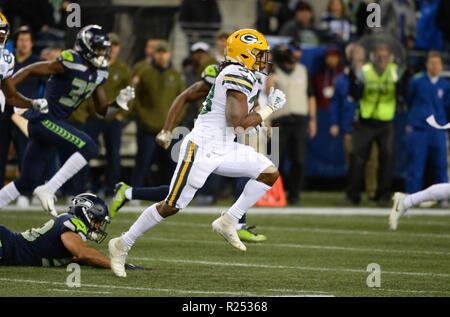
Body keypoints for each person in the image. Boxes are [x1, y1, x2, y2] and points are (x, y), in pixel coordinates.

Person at [108, 28, 287, 277]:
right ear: (245, 54)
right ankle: (121, 244)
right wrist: (269, 110)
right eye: (258, 54)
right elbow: (237, 122)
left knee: (268, 172)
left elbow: (240, 119)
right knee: (172, 204)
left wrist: (258, 115)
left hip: (224, 146)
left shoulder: (245, 74)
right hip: (201, 148)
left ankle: (228, 220)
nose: (264, 59)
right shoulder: (237, 73)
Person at [110, 64, 267, 242]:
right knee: (180, 194)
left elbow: (252, 102)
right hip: (203, 139)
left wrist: (255, 114)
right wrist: (167, 129)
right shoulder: (221, 78)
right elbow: (184, 96)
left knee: (258, 171)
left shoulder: (246, 78)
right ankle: (129, 199)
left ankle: (237, 223)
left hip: (225, 139)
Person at [0, 24, 135, 216]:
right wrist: (6, 91)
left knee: (27, 181)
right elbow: (30, 70)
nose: (101, 53)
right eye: (97, 48)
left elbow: (101, 110)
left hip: (54, 124)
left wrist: (118, 103)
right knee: (89, 147)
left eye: (103, 49)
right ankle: (49, 188)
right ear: (86, 47)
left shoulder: (100, 72)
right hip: (43, 119)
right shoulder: (70, 61)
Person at [346, 44, 402, 206]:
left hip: (386, 120)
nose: (382, 59)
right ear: (374, 56)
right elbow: (354, 93)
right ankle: (352, 196)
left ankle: (383, 196)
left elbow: (401, 92)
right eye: (380, 56)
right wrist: (354, 77)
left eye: (385, 56)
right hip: (366, 119)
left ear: (389, 56)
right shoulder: (365, 71)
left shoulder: (395, 70)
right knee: (357, 159)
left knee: (387, 158)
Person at [266, 43, 317, 205]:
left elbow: (310, 95)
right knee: (274, 160)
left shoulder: (302, 70)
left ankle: (295, 195)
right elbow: (269, 91)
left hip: (300, 121)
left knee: (299, 160)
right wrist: (271, 71)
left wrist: (313, 119)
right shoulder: (274, 72)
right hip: (280, 120)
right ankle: (270, 195)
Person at [0, 25, 46, 206]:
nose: (24, 43)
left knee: (24, 152)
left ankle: (24, 192)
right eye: (21, 39)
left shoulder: (8, 58)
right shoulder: (9, 58)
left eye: (27, 40)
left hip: (22, 114)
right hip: (5, 112)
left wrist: (32, 104)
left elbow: (11, 94)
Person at [0, 193, 111, 267]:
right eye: (96, 221)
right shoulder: (74, 222)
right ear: (85, 213)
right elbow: (84, 253)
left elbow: (80, 258)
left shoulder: (70, 222)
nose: (99, 227)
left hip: (7, 249)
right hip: (5, 245)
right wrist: (114, 264)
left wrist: (102, 262)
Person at [130, 40, 185, 188]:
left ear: (170, 54)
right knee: (143, 160)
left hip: (169, 128)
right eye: (159, 53)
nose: (161, 56)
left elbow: (183, 99)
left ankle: (170, 194)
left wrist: (175, 121)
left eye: (164, 53)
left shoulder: (176, 75)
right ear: (155, 54)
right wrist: (142, 115)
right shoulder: (144, 72)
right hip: (147, 127)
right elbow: (135, 96)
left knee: (170, 163)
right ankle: (136, 192)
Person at [83, 33, 131, 200]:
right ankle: (82, 188)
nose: (114, 49)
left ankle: (111, 190)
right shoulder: (93, 65)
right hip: (93, 117)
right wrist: (88, 110)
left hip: (113, 119)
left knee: (113, 155)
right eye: (111, 45)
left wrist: (122, 115)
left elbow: (130, 92)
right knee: (85, 152)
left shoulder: (122, 69)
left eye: (117, 46)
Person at [329, 43, 378, 201]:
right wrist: (335, 123)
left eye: (358, 51)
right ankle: (353, 194)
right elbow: (336, 102)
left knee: (372, 161)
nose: (356, 55)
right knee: (353, 162)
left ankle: (373, 193)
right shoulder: (342, 78)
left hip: (370, 124)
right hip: (350, 126)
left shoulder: (373, 75)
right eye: (352, 52)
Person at [404, 51, 450, 194]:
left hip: (438, 129)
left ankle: (442, 197)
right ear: (427, 65)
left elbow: (447, 106)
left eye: (437, 63)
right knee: (416, 165)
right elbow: (409, 100)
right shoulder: (416, 82)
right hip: (419, 129)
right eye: (432, 63)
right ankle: (412, 196)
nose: (435, 66)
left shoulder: (446, 85)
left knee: (441, 165)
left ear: (441, 66)